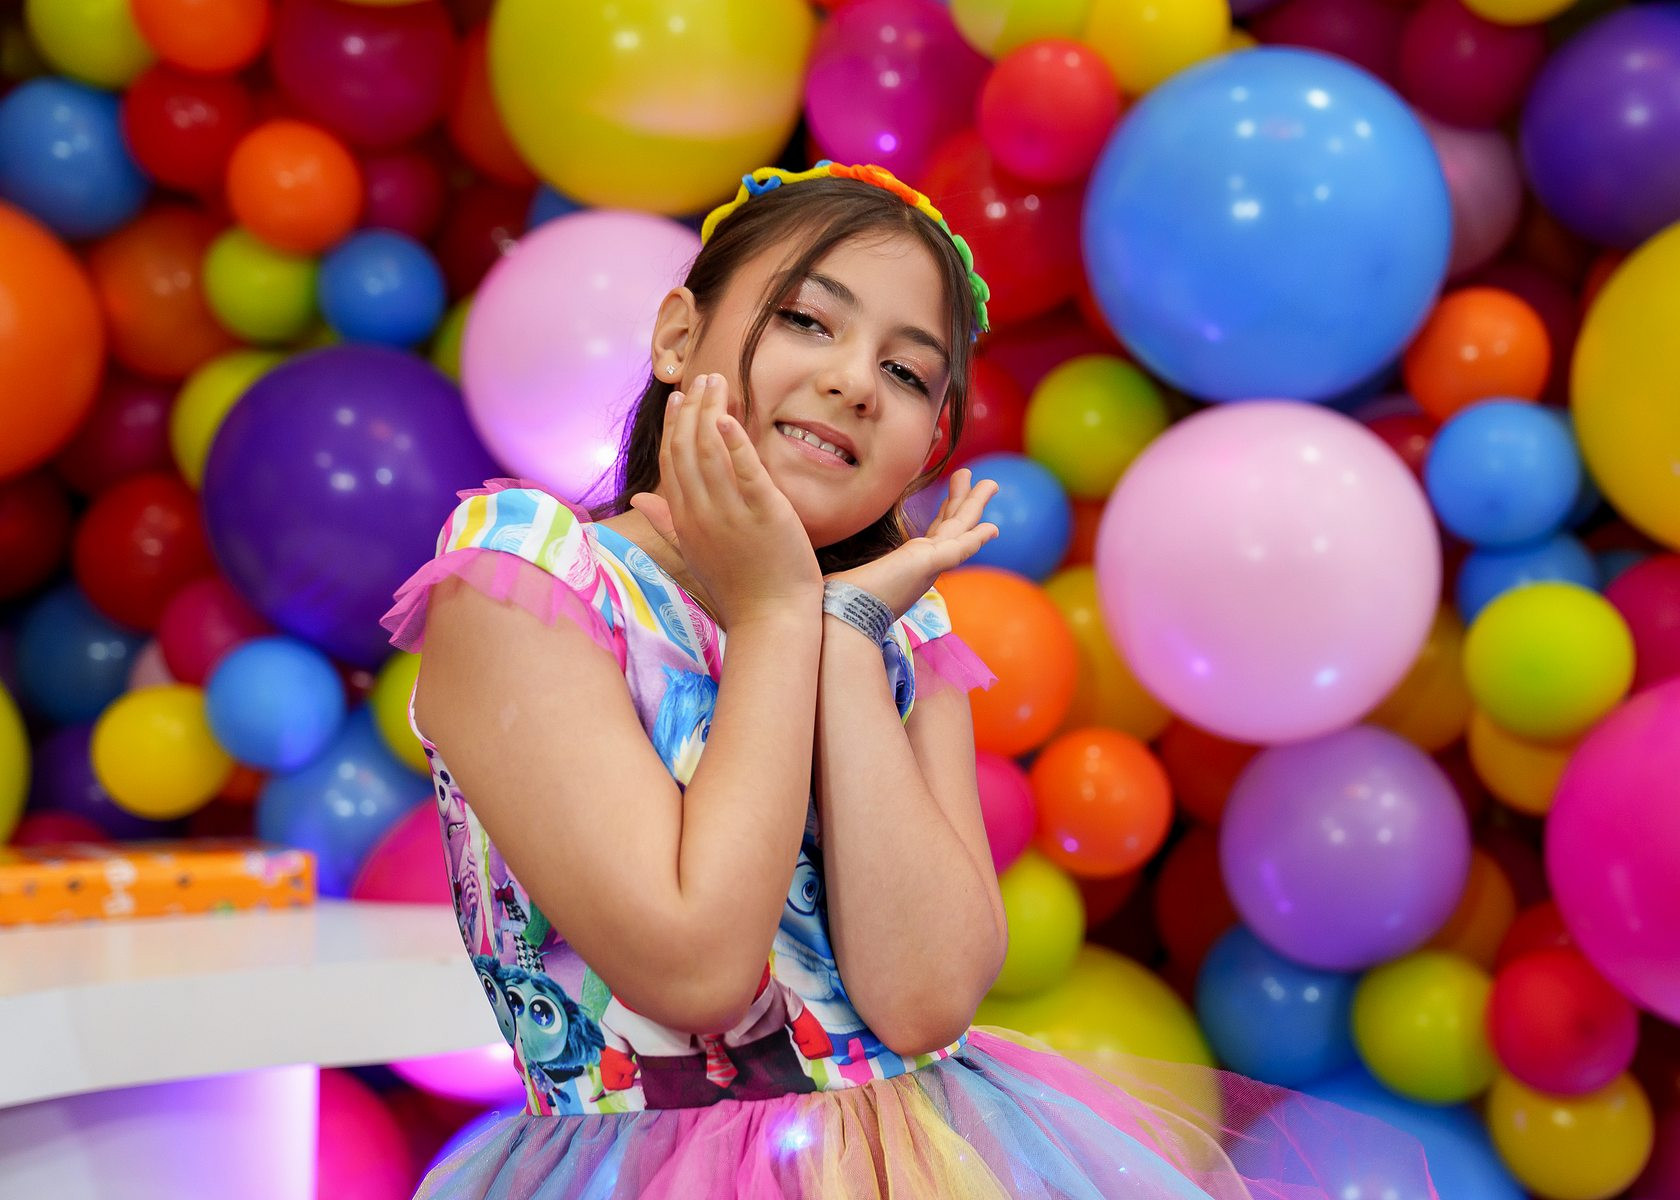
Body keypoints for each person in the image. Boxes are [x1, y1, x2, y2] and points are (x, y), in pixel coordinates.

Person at [380, 162, 1439, 1198]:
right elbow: (694, 972)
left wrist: (840, 640)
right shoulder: (529, 576)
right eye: (808, 320)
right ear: (677, 338)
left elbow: (926, 1002)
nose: (853, 382)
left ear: (927, 443)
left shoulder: (894, 622)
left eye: (906, 374)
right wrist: (775, 616)